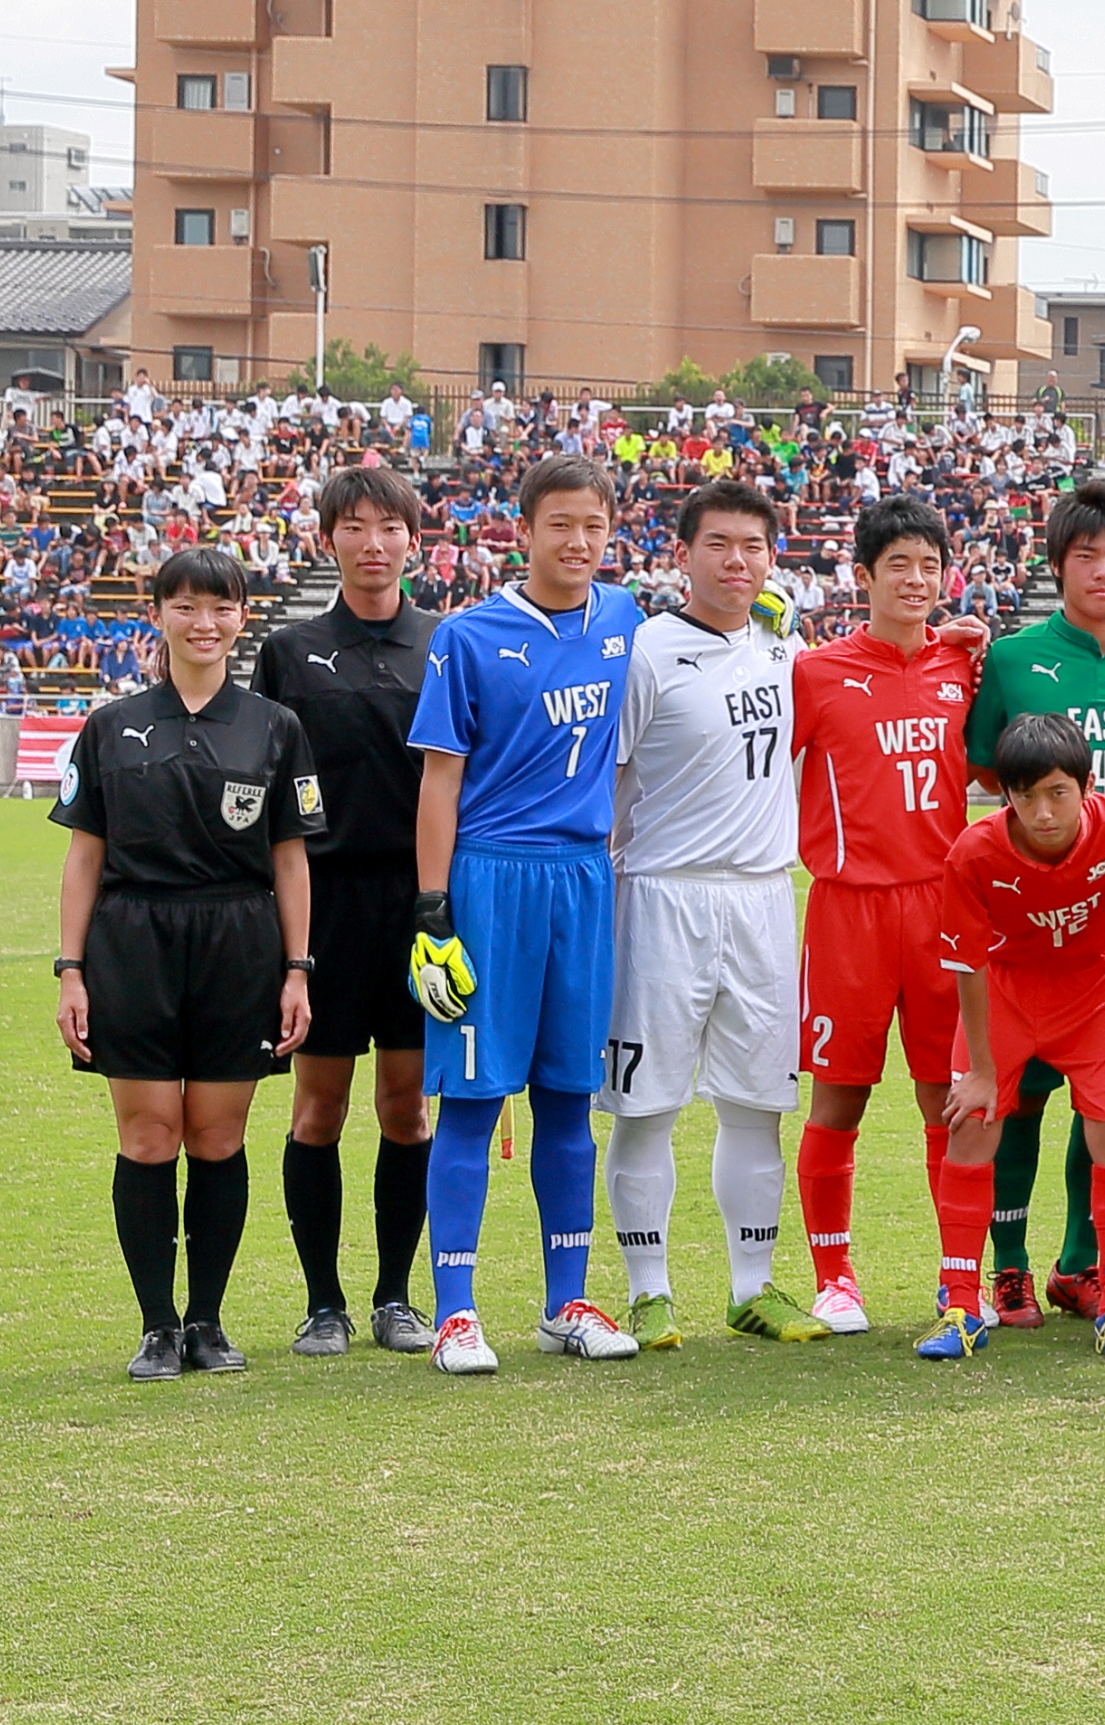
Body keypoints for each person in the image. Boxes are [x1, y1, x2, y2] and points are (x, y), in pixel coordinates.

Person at [401, 453, 645, 1376]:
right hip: (491, 882)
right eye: (560, 525)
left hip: (584, 880)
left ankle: (564, 1300)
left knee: (568, 1101)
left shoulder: (626, 618)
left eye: (593, 525)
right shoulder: (469, 637)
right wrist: (434, 908)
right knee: (469, 1100)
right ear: (524, 529)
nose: (578, 542)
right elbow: (439, 781)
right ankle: (456, 1310)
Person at [56, 547, 318, 1378]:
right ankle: (156, 1325)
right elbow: (83, 857)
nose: (204, 622)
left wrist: (296, 968)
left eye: (221, 606)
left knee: (216, 1135)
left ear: (243, 618)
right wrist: (70, 967)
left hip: (238, 942)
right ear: (159, 613)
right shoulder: (111, 724)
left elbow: (289, 860)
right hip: (132, 941)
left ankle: (206, 1320)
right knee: (148, 1134)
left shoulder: (273, 726)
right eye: (187, 605)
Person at [962, 481, 1105, 1326]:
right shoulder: (1015, 658)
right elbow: (986, 765)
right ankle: (1009, 1267)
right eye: (1086, 556)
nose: (1104, 571)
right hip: (1026, 906)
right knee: (1014, 1096)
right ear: (1057, 565)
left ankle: (1082, 1261)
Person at [600, 479, 821, 1347]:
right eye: (719, 544)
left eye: (754, 546)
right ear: (683, 553)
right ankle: (648, 1288)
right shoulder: (646, 652)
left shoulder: (781, 643)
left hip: (765, 896)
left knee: (756, 1103)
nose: (738, 561)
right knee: (647, 1105)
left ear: (772, 557)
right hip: (660, 893)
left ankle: (752, 1285)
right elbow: (610, 785)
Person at [914, 716, 1105, 1365]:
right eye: (1024, 795)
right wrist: (982, 1069)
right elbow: (967, 963)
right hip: (1008, 993)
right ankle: (962, 1303)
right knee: (974, 1124)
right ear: (1005, 795)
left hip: (1095, 990)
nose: (1042, 812)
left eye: (1056, 792)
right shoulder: (974, 852)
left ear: (1086, 786)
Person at [788, 497, 988, 1335]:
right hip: (849, 910)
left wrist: (972, 646)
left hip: (944, 911)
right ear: (861, 575)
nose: (916, 580)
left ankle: (957, 1280)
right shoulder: (814, 671)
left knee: (948, 1098)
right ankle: (836, 1277)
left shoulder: (963, 665)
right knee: (840, 1098)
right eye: (898, 564)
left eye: (929, 565)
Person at [250, 463, 437, 1355]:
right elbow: (264, 780)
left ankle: (396, 1295)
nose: (372, 542)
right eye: (354, 526)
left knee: (407, 1108)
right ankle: (322, 1300)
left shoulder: (446, 642)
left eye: (388, 527)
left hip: (416, 906)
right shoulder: (290, 652)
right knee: (316, 1109)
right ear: (328, 539)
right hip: (320, 911)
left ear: (413, 538)